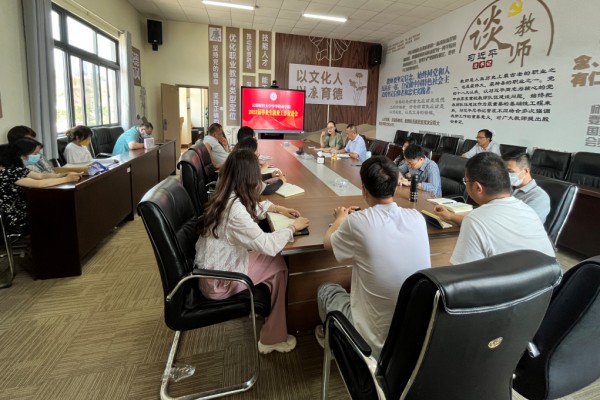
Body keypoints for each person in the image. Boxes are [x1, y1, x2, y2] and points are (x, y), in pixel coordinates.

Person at [194, 149, 309, 354]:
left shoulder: (226, 195)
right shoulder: (234, 210)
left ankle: (268, 318)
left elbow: (252, 208)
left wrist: (279, 209)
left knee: (273, 260)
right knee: (278, 264)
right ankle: (272, 338)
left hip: (214, 270)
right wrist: (293, 227)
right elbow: (268, 244)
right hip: (219, 282)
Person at [315, 156, 431, 357]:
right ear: (396, 187)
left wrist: (340, 219)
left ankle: (336, 344)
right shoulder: (417, 218)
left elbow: (328, 243)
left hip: (374, 344)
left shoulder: (357, 222)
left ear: (363, 189)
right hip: (415, 339)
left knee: (326, 290)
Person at [449, 153, 555, 265]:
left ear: (477, 187)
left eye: (465, 181)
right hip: (548, 274)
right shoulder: (527, 210)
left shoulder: (474, 220)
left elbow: (462, 271)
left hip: (513, 275)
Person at [0, 138, 82, 234]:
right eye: (34, 153)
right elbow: (40, 184)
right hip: (12, 214)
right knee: (53, 210)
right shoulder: (9, 172)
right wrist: (67, 179)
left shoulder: (15, 169)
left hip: (19, 208)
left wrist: (63, 175)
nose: (37, 156)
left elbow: (40, 176)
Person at [502, 150, 550, 223]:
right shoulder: (504, 188)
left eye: (510, 171)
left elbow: (526, 225)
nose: (505, 175)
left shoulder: (539, 197)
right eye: (504, 171)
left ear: (526, 171)